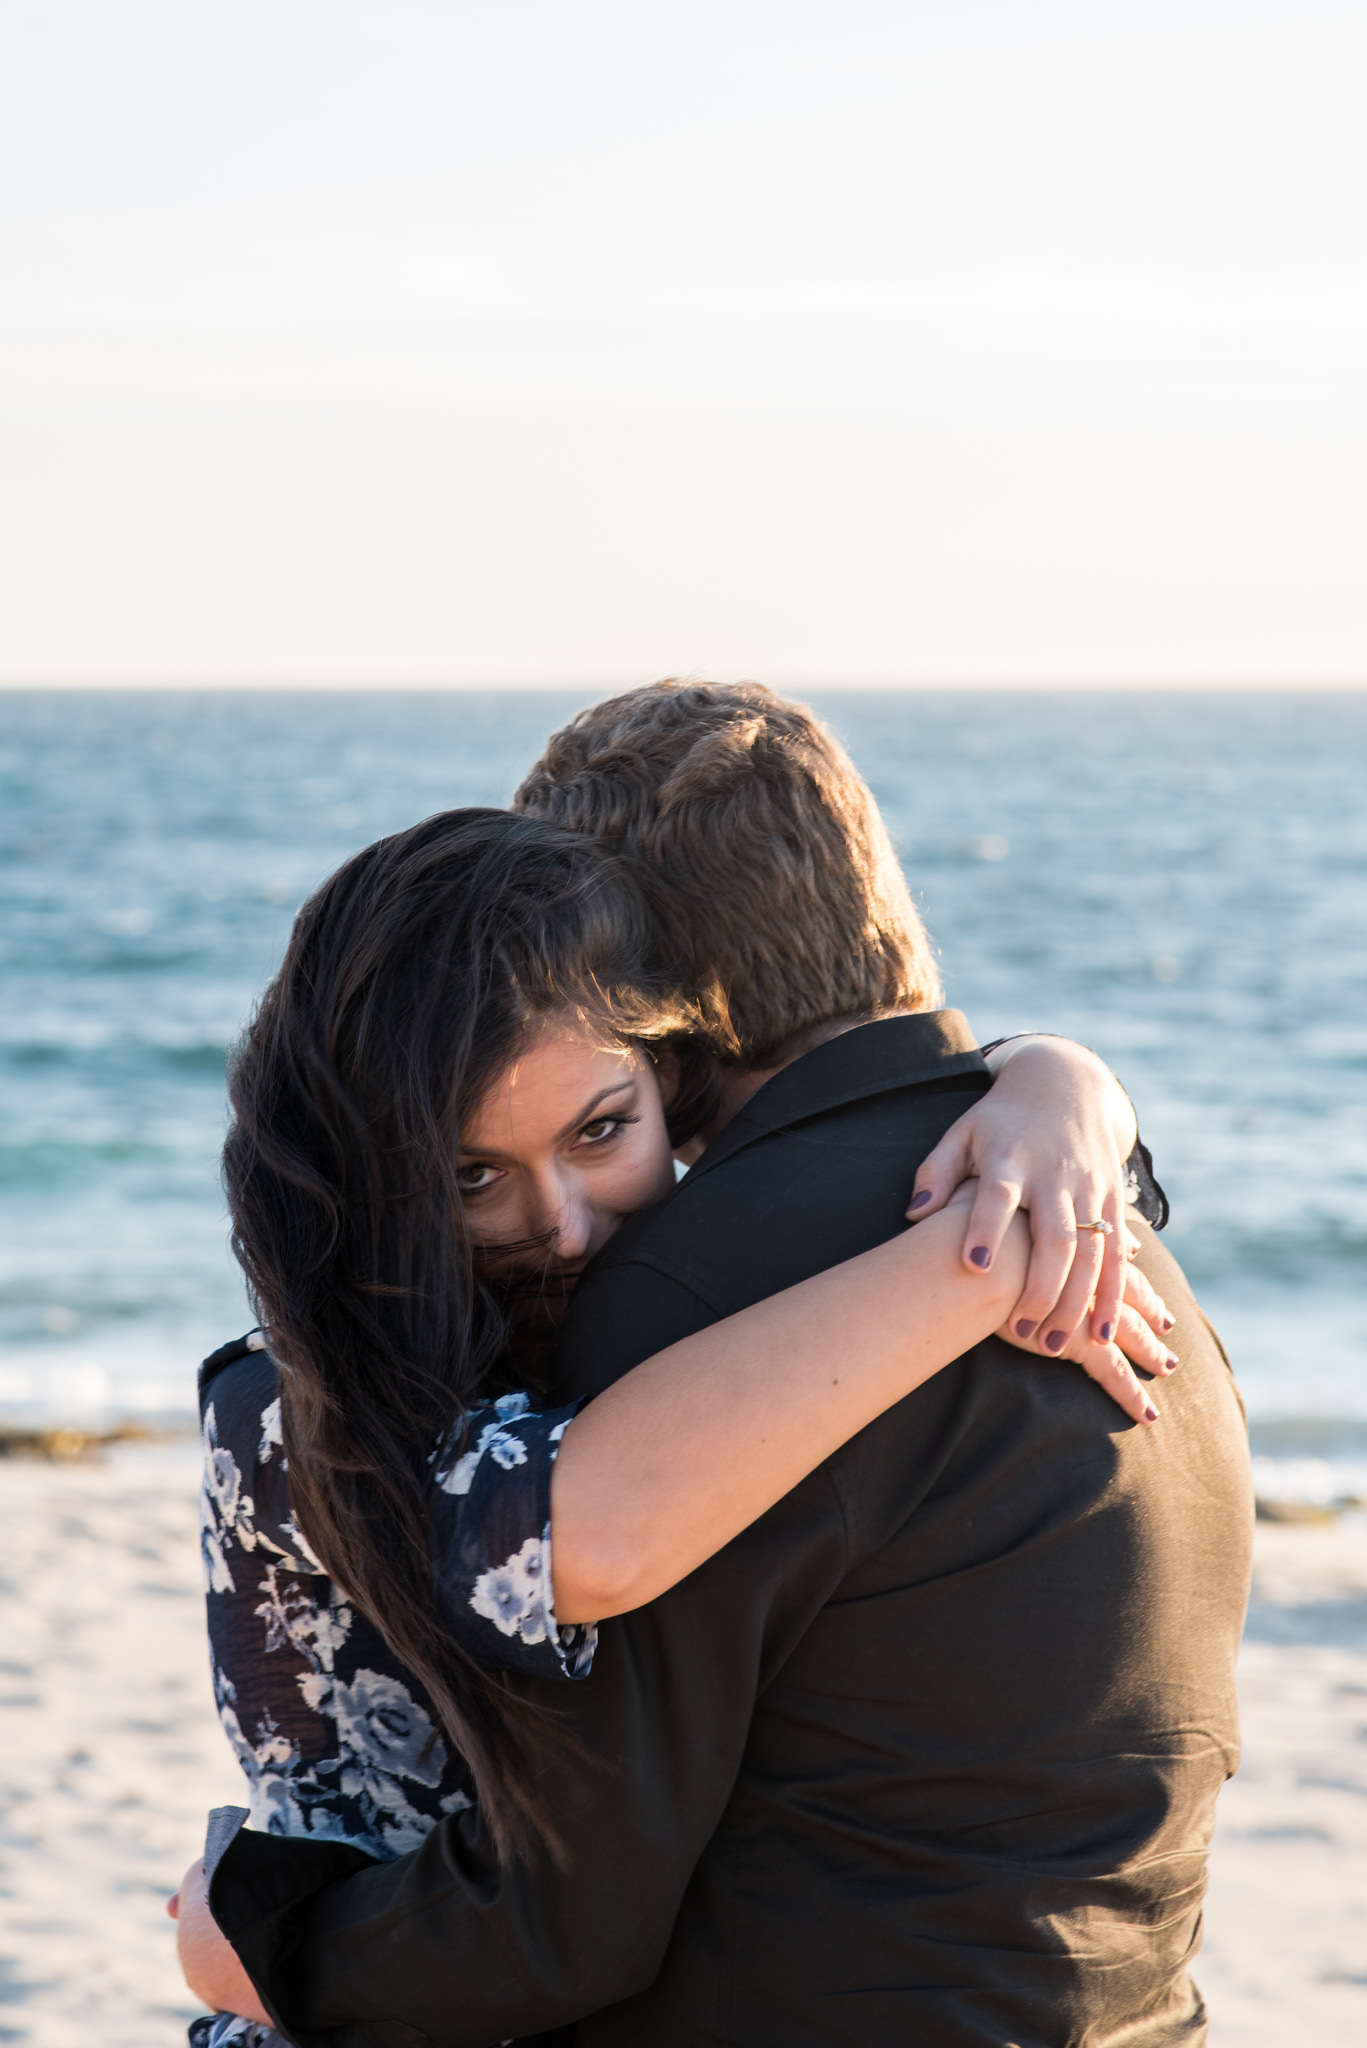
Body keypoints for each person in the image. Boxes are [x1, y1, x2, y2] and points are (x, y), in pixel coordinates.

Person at [189, 683, 1252, 2047]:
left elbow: (566, 1916)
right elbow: (591, 1528)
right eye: (472, 1173)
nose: (561, 1226)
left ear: (649, 1005)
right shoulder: (1117, 1248)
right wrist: (1053, 1103)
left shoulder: (721, 1288)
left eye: (601, 1127)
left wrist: (277, 1957)